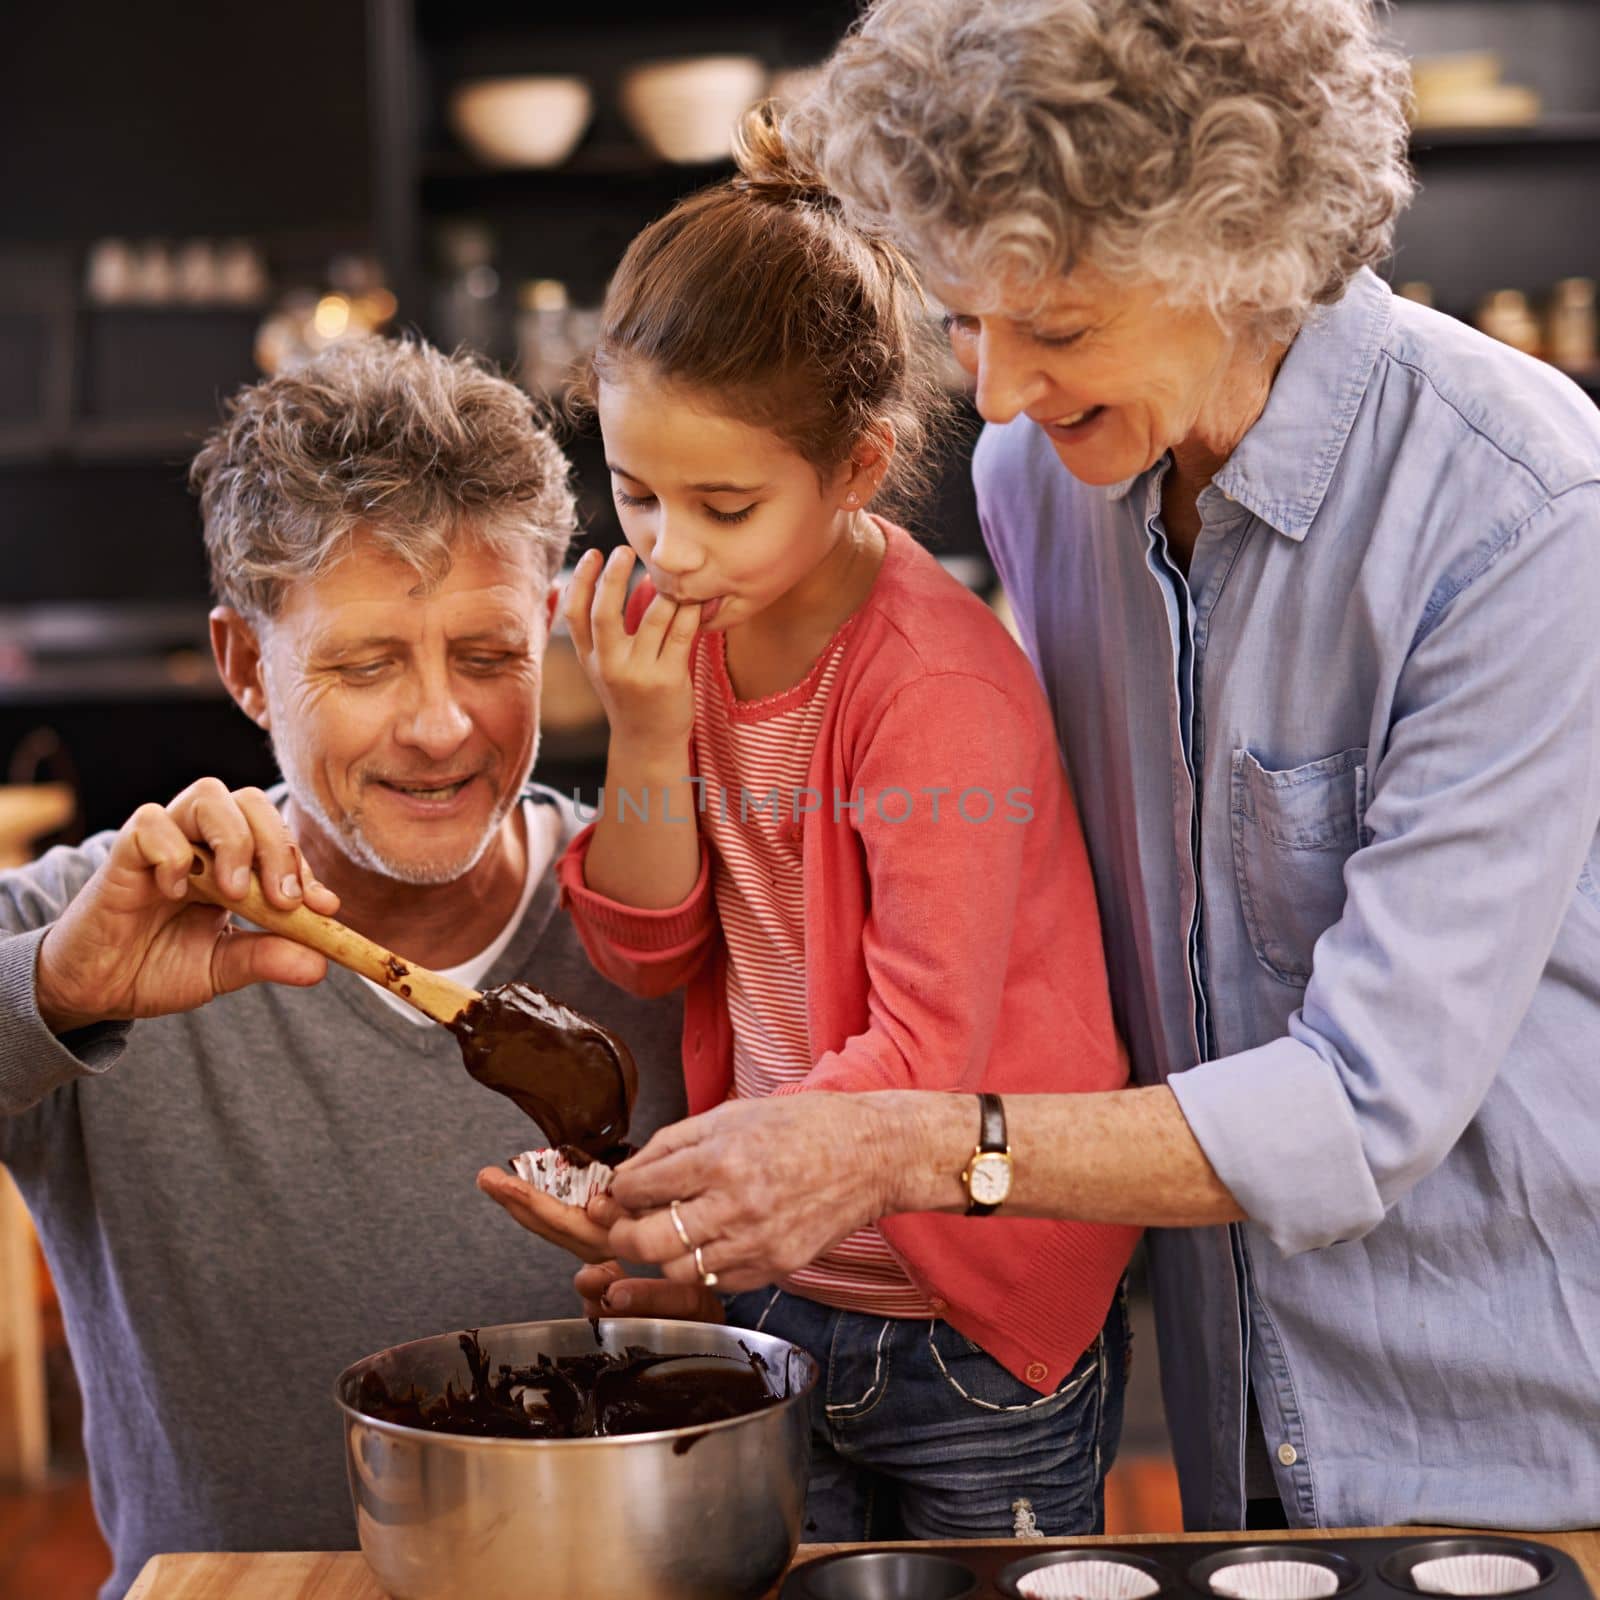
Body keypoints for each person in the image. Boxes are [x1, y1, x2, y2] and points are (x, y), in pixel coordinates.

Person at [573, 0, 1600, 1535]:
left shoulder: (1521, 511)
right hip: (1218, 1397)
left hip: (1497, 1411)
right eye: (965, 320)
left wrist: (910, 1142)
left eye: (1049, 328)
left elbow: (1365, 1102)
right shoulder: (1039, 478)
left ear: (1237, 253)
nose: (989, 393)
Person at [484, 108, 1138, 1542]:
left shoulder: (936, 689)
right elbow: (646, 949)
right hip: (784, 1285)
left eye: (725, 504)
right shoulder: (686, 638)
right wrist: (648, 730)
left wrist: (671, 1200)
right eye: (637, 491)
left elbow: (923, 1063)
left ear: (857, 468)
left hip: (974, 1325)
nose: (669, 548)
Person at [0, 337, 685, 1600]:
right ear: (246, 665)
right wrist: (58, 989)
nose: (439, 724)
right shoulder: (96, 927)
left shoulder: (665, 911)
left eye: (487, 657)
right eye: (365, 664)